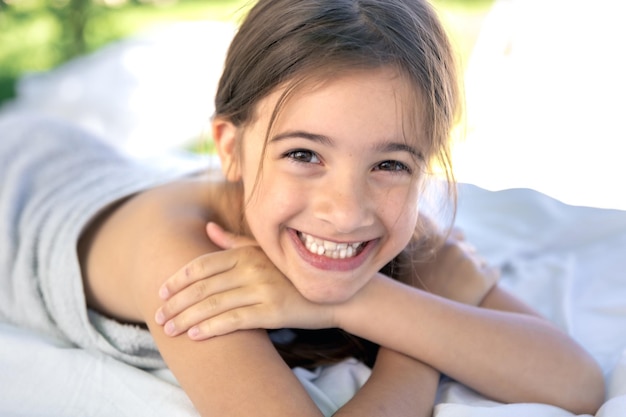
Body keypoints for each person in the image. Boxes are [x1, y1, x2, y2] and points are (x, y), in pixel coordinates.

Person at [0, 0, 604, 416]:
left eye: (390, 164)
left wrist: (371, 301)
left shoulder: (391, 224)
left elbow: (574, 383)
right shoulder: (183, 266)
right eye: (304, 154)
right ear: (232, 149)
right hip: (21, 175)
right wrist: (415, 344)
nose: (346, 212)